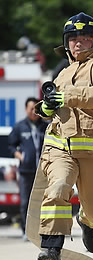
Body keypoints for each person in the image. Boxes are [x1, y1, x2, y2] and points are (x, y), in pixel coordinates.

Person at [34, 12, 93, 260]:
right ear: (66, 43)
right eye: (73, 38)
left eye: (85, 37)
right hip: (60, 148)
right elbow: (49, 107)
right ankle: (51, 248)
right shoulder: (61, 74)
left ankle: (88, 223)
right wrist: (46, 108)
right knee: (59, 187)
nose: (78, 42)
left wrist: (68, 96)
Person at [8, 97, 48, 239]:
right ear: (26, 109)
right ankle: (26, 231)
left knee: (43, 202)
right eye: (31, 108)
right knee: (26, 201)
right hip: (26, 171)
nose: (33, 111)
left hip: (43, 171)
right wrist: (20, 156)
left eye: (36, 108)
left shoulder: (45, 126)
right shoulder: (20, 126)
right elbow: (11, 145)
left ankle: (41, 231)